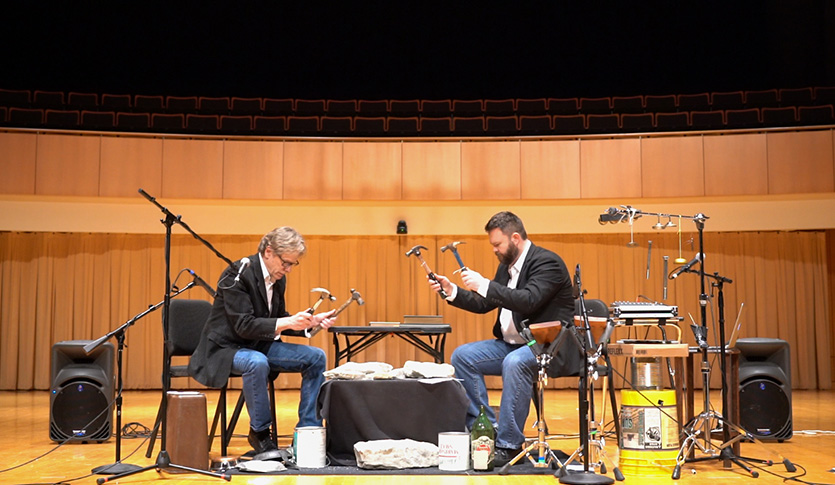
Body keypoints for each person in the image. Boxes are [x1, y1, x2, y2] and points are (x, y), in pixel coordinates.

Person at [428, 211, 582, 467]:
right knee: (463, 357)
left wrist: (484, 284)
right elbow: (485, 302)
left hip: (547, 345)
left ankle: (508, 445)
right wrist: (452, 291)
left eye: (497, 245)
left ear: (515, 238)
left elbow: (529, 300)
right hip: (513, 344)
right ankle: (485, 430)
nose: (495, 250)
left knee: (514, 362)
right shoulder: (506, 268)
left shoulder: (547, 263)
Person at [189, 226, 336, 458]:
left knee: (316, 357)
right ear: (269, 251)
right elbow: (244, 325)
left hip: (256, 344)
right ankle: (259, 433)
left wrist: (309, 322)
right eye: (286, 263)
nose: (288, 270)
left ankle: (309, 430)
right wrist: (288, 321)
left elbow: (275, 318)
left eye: (292, 265)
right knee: (256, 362)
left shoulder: (278, 279)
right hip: (226, 348)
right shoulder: (236, 273)